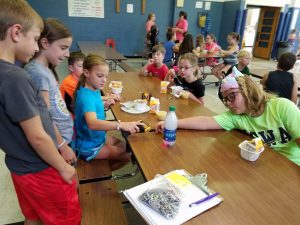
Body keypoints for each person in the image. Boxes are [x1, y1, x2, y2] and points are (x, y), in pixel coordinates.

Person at [0, 1, 81, 224]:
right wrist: (63, 167)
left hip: (19, 167)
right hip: (40, 168)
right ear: (16, 32)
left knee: (33, 216)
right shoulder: (15, 77)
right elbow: (36, 135)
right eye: (35, 39)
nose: (36, 48)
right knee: (66, 219)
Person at [156, 69, 300, 166]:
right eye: (226, 100)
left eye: (232, 96)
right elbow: (206, 122)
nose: (229, 103)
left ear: (247, 90)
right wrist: (173, 122)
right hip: (266, 166)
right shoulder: (238, 116)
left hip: (292, 165)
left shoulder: (282, 107)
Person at [73, 54, 141, 166]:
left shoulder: (92, 88)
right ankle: (100, 171)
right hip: (88, 146)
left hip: (97, 137)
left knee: (123, 145)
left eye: (106, 76)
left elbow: (94, 101)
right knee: (128, 155)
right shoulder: (86, 97)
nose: (104, 80)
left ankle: (105, 163)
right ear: (86, 73)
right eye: (100, 76)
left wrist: (104, 103)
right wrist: (120, 125)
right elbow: (92, 123)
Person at [24, 18, 76, 164]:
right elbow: (44, 117)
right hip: (58, 145)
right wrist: (62, 146)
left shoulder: (46, 69)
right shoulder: (38, 74)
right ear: (45, 43)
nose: (67, 54)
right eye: (63, 47)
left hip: (63, 138)